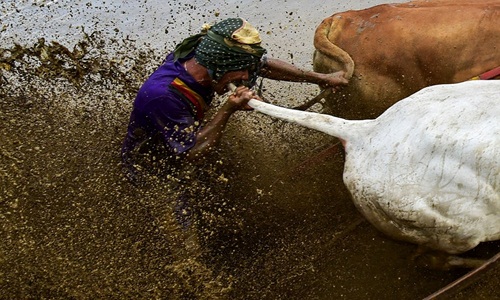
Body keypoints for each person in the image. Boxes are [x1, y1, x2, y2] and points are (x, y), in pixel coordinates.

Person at [121, 17, 347, 184]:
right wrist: (228, 109)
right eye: (242, 73)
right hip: (156, 172)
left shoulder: (204, 56)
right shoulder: (164, 96)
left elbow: (264, 64)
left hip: (185, 136)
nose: (247, 78)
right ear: (219, 67)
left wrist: (322, 78)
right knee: (184, 234)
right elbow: (192, 153)